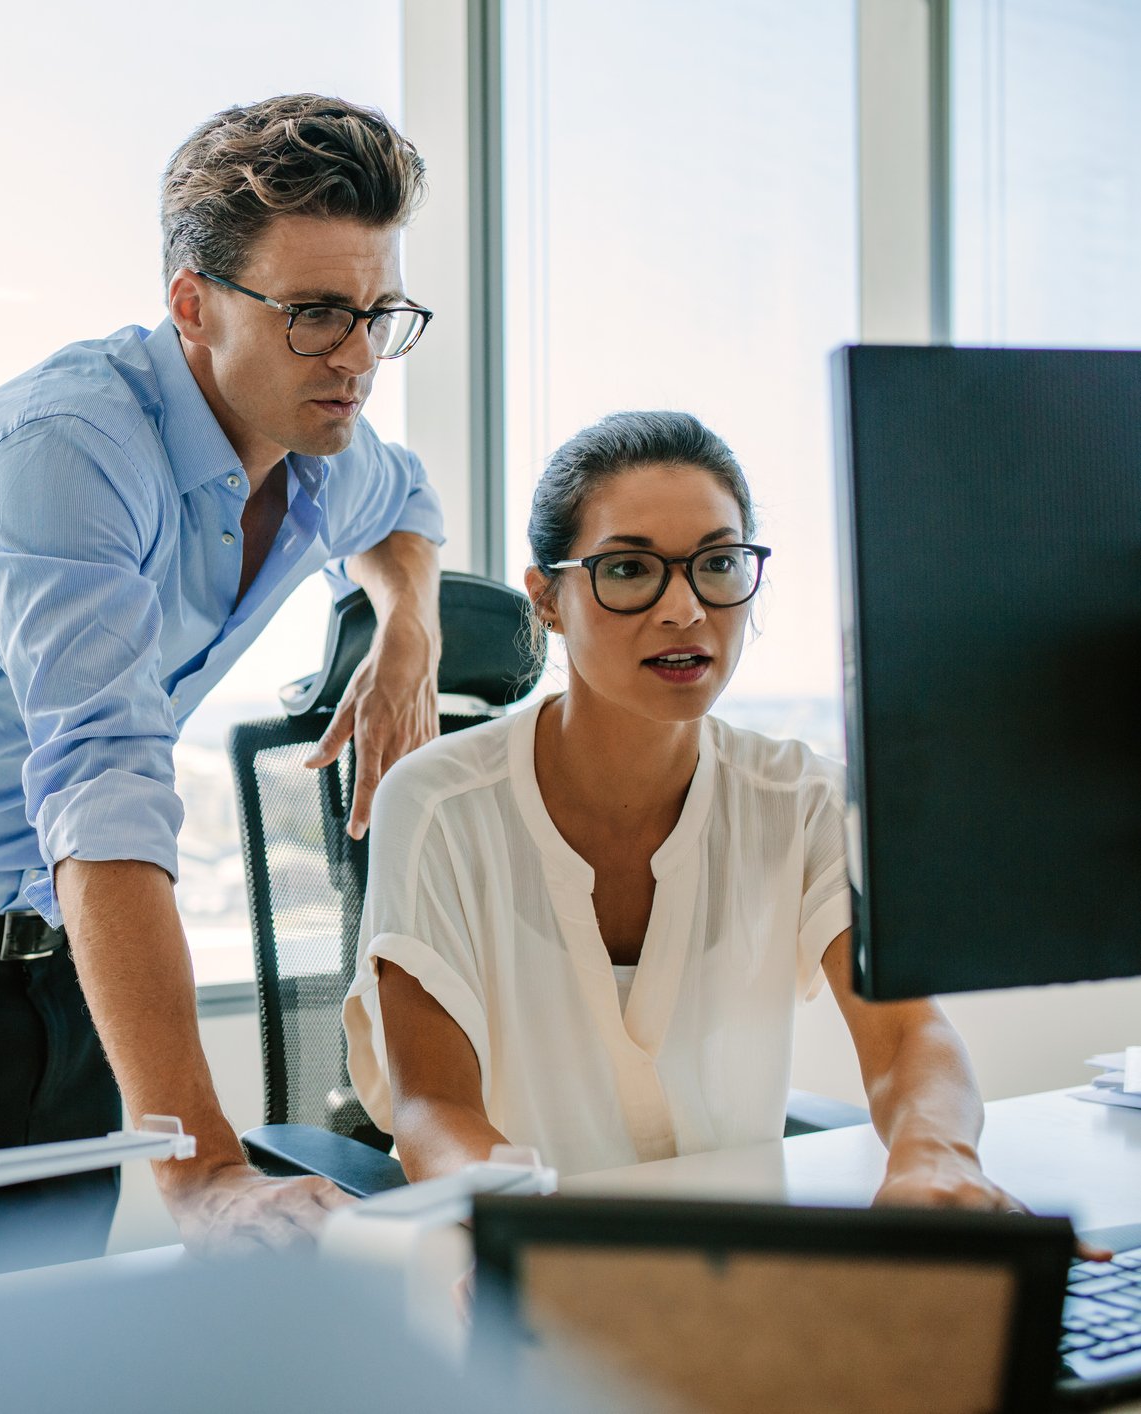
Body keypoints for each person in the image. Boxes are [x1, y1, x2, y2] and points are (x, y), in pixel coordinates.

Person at [0, 94, 450, 1304]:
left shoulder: (320, 441)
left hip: (61, 968)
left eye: (380, 313)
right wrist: (209, 1174)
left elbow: (408, 508)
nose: (358, 357)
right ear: (194, 302)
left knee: (43, 1351)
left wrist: (409, 632)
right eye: (318, 314)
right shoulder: (66, 450)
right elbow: (105, 789)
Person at [343, 410, 1023, 1212]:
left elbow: (909, 1037)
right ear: (548, 598)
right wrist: (535, 1240)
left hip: (736, 1279)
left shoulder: (801, 802)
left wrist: (933, 1158)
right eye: (629, 569)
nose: (684, 609)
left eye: (717, 564)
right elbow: (433, 1108)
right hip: (510, 1278)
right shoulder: (435, 803)